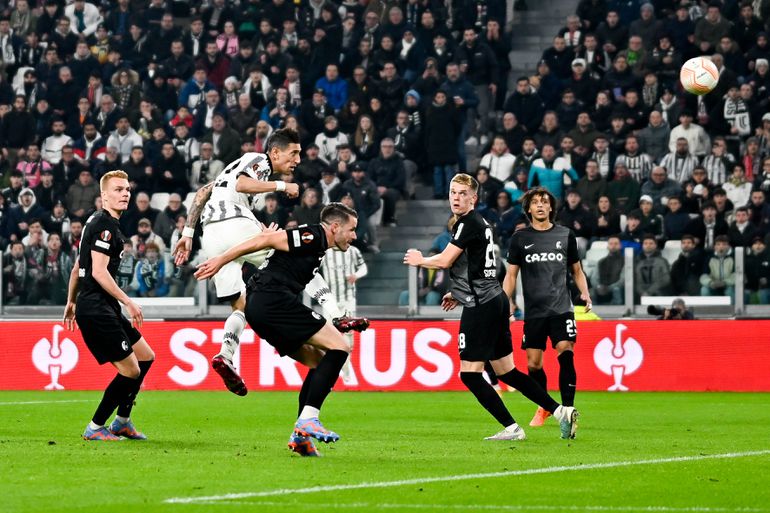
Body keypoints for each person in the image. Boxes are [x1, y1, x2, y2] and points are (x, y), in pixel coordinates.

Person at [174, 129, 366, 395]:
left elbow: (203, 192)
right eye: (293, 153)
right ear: (275, 152)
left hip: (211, 235)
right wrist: (282, 186)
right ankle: (337, 316)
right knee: (296, 258)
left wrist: (187, 233)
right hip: (234, 222)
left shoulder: (230, 171)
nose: (297, 160)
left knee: (240, 304)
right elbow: (242, 185)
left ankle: (225, 354)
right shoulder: (259, 160)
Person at [404, 176, 579, 441]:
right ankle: (559, 411)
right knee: (507, 372)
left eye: (463, 193)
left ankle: (512, 428)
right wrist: (459, 291)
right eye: (452, 192)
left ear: (473, 198)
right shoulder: (481, 223)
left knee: (469, 374)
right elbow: (479, 267)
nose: (456, 198)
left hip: (481, 305)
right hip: (494, 299)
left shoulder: (467, 223)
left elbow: (445, 261)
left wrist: (421, 260)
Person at [195, 203, 361, 457]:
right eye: (352, 229)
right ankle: (308, 419)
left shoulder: (317, 247)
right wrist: (221, 260)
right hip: (273, 302)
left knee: (320, 363)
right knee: (340, 347)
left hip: (261, 308)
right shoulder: (313, 235)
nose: (355, 236)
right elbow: (264, 240)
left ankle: (301, 437)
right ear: (335, 227)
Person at [63, 170, 155, 441]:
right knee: (131, 370)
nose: (125, 193)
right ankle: (95, 427)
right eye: (118, 189)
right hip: (97, 308)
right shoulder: (105, 227)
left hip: (100, 305)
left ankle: (122, 422)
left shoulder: (97, 221)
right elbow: (99, 272)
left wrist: (71, 301)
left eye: (127, 189)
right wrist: (128, 301)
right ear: (104, 196)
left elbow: (78, 267)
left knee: (146, 356)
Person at [503, 186, 591, 434]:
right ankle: (545, 406)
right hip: (534, 312)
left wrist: (584, 292)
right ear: (529, 209)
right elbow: (511, 275)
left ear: (551, 207)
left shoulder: (565, 234)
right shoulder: (520, 238)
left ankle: (568, 411)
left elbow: (577, 270)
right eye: (535, 202)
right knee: (533, 364)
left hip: (561, 307)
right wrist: (506, 301)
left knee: (565, 349)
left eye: (544, 201)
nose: (540, 205)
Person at [319, 239, 368, 384]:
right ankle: (329, 372)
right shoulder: (325, 253)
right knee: (327, 336)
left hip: (348, 300)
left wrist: (356, 275)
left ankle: (346, 371)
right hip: (329, 301)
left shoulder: (353, 251)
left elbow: (363, 267)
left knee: (348, 336)